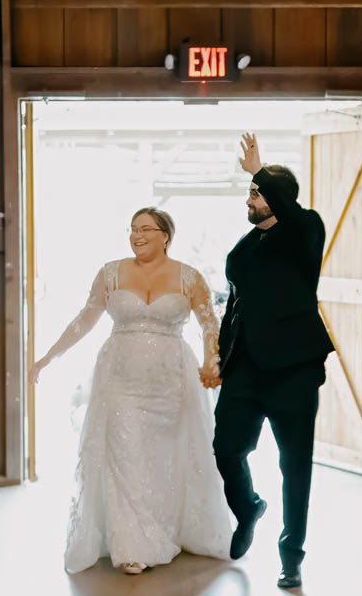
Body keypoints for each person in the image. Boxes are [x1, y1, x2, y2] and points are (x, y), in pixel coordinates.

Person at [29, 207, 232, 574]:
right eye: (132, 229)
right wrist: (48, 357)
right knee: (126, 455)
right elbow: (84, 320)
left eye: (145, 229)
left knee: (164, 458)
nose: (137, 236)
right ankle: (132, 545)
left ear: (165, 235)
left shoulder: (190, 277)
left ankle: (166, 528)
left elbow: (208, 323)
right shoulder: (111, 273)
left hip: (172, 379)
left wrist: (210, 362)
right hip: (121, 379)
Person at [214, 133, 334, 591]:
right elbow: (235, 307)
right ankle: (248, 509)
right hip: (244, 369)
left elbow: (290, 207)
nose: (250, 197)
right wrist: (221, 359)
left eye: (257, 193)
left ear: (277, 198)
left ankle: (291, 555)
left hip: (294, 369)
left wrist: (259, 170)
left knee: (295, 463)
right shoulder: (243, 248)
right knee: (226, 448)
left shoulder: (306, 232)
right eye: (249, 191)